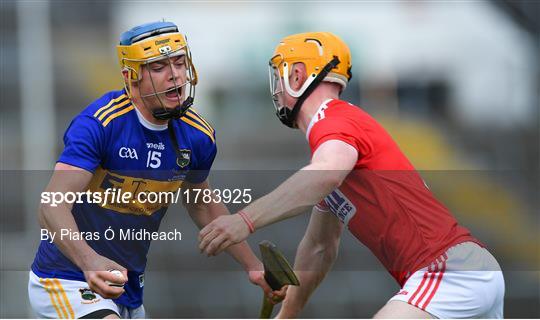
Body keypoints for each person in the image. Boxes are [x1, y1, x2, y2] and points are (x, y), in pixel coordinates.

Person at [198, 32, 505, 318]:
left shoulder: (333, 120)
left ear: (297, 75)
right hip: (466, 271)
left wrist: (244, 220)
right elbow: (319, 247)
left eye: (280, 76)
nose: (276, 89)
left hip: (448, 273)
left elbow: (323, 175)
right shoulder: (335, 142)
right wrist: (287, 315)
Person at [28, 21, 281, 319]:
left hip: (128, 288)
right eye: (159, 66)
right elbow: (51, 205)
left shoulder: (197, 136)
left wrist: (254, 267)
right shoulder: (100, 124)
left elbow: (203, 206)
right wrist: (89, 261)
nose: (174, 74)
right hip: (68, 278)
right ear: (130, 76)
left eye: (179, 62)